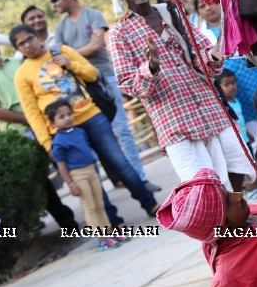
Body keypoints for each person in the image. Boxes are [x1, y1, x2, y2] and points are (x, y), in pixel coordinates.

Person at [104, 0, 256, 191]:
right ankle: (223, 222)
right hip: (174, 122)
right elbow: (127, 85)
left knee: (238, 164)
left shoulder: (171, 13)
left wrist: (214, 54)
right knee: (203, 187)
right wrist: (150, 68)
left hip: (208, 107)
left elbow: (203, 57)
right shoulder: (119, 34)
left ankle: (235, 215)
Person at [10, 23, 159, 219]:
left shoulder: (62, 50)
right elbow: (32, 113)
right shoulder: (22, 75)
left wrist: (70, 64)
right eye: (21, 44)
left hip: (92, 116)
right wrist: (47, 144)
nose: (27, 45)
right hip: (63, 132)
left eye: (29, 39)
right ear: (18, 49)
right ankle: (112, 221)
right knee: (89, 176)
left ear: (37, 37)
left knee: (119, 162)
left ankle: (150, 204)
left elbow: (92, 73)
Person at [49, 0, 159, 192]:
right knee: (87, 137)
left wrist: (71, 55)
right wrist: (81, 52)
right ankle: (105, 187)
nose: (53, 5)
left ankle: (140, 179)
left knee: (122, 129)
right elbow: (59, 56)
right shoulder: (60, 28)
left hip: (105, 79)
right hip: (80, 88)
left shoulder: (93, 15)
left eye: (55, 0)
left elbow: (97, 45)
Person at [0, 32, 79, 232]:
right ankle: (68, 225)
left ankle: (96, 214)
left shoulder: (16, 63)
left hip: (47, 124)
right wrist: (30, 118)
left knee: (71, 165)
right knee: (42, 181)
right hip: (21, 134)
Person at [45, 100, 124, 251]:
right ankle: (102, 239)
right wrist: (71, 184)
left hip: (92, 171)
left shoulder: (80, 132)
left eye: (69, 114)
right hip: (78, 175)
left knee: (100, 204)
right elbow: (61, 166)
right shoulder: (58, 142)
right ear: (53, 123)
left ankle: (109, 233)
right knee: (90, 207)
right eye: (61, 117)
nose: (67, 118)